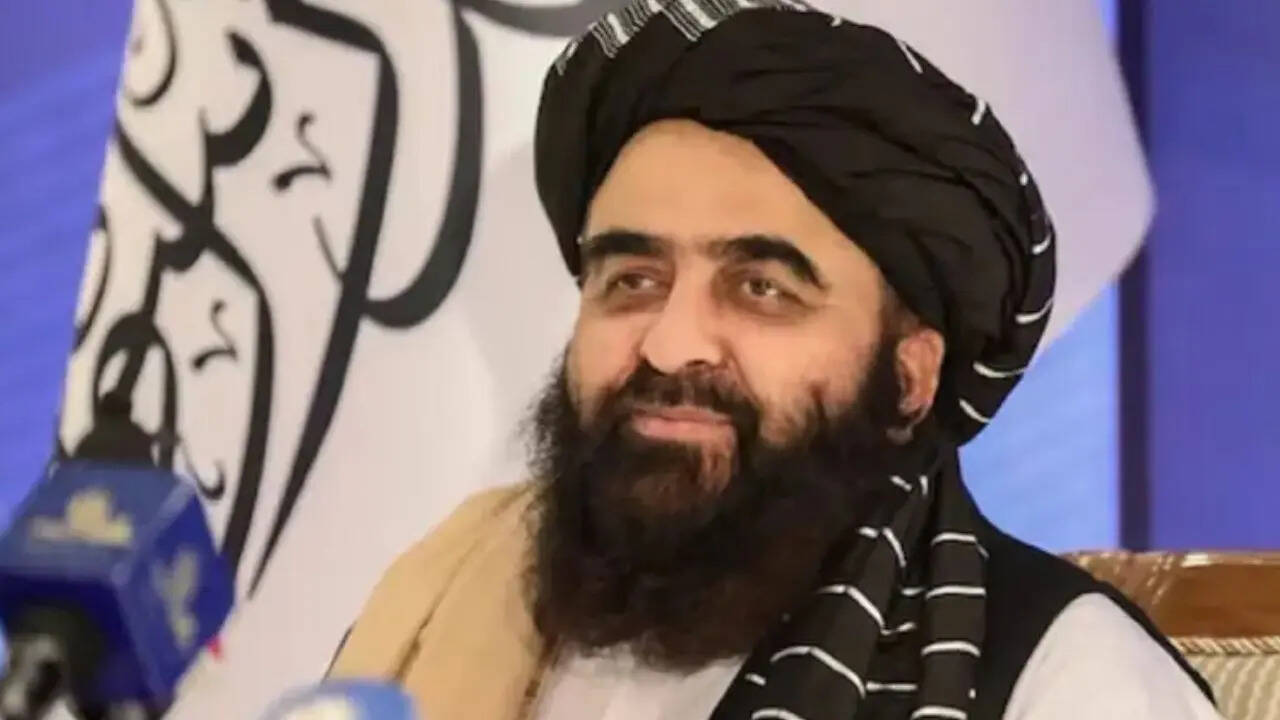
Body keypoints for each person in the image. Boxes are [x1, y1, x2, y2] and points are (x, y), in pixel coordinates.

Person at [330, 1, 1220, 718]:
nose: (671, 343)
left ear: (910, 376)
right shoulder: (462, 597)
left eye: (761, 289)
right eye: (633, 280)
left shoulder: (1070, 683)